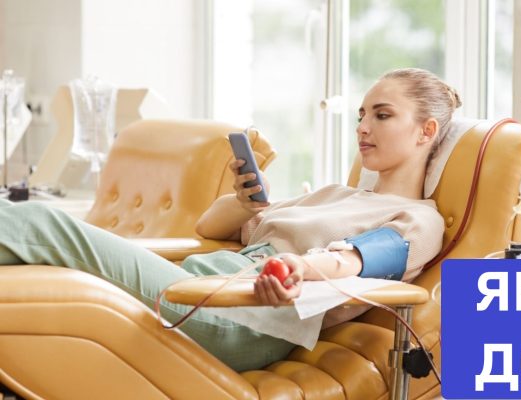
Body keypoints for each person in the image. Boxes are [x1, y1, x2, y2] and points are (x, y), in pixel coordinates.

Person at [0, 67, 458, 372]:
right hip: (200, 282)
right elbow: (210, 229)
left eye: (382, 115)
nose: (362, 127)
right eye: (361, 115)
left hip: (243, 315)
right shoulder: (333, 194)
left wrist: (301, 270)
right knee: (31, 264)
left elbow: (356, 260)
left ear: (426, 131)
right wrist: (245, 202)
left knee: (43, 223)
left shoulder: (419, 218)